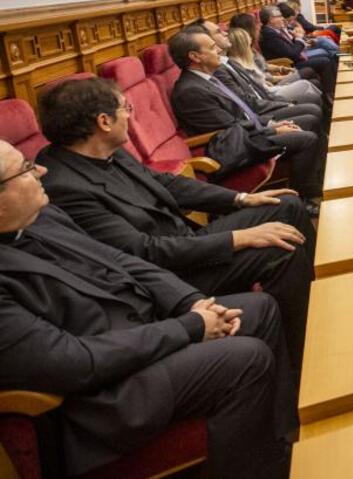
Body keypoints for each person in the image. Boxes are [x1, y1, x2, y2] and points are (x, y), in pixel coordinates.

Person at [0, 139, 293, 478]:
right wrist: (190, 327)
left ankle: (280, 442)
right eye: (25, 168)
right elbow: (73, 361)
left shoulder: (41, 214)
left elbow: (119, 259)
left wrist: (190, 302)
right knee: (246, 359)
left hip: (142, 327)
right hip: (101, 395)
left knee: (260, 310)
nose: (40, 170)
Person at [36, 77, 314, 367]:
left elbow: (167, 183)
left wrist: (241, 199)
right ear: (104, 121)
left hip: (184, 240)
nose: (131, 115)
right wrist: (240, 237)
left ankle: (319, 288)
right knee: (281, 247)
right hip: (170, 272)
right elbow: (143, 251)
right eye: (125, 108)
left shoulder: (104, 149)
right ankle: (304, 353)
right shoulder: (66, 186)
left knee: (285, 204)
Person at [167, 29, 325, 201]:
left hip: (247, 133)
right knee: (305, 138)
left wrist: (270, 125)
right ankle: (306, 196)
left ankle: (320, 174)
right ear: (195, 57)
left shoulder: (206, 78)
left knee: (310, 119)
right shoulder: (191, 91)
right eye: (212, 48)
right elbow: (229, 128)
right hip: (234, 146)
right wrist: (271, 130)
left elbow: (243, 111)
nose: (219, 50)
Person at [227, 26, 323, 107]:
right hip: (270, 93)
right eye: (248, 38)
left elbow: (264, 72)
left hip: (271, 87)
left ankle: (326, 108)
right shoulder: (236, 64)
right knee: (307, 84)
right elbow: (260, 85)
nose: (251, 39)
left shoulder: (249, 55)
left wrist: (280, 69)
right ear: (242, 43)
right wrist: (281, 79)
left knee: (311, 83)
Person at [258, 5, 337, 97]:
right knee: (324, 60)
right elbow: (292, 54)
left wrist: (298, 38)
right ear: (271, 19)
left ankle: (333, 89)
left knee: (325, 56)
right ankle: (331, 93)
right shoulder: (269, 34)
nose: (282, 18)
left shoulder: (273, 30)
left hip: (295, 58)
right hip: (288, 64)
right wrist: (299, 39)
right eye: (279, 16)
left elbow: (290, 48)